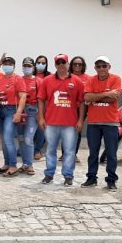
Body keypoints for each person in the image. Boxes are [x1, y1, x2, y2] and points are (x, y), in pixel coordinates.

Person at [38, 54, 85, 187]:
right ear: (55, 65)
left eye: (63, 62)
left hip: (70, 123)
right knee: (50, 150)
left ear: (67, 63)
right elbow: (41, 99)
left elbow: (81, 102)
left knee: (69, 151)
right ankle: (49, 174)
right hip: (51, 122)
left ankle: (68, 175)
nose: (61, 64)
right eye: (58, 62)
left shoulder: (77, 81)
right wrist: (41, 117)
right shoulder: (47, 80)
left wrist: (81, 120)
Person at [82, 56, 121, 191]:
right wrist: (106, 93)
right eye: (98, 66)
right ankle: (91, 178)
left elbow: (114, 98)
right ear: (95, 68)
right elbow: (87, 97)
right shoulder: (91, 80)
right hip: (93, 123)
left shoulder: (116, 79)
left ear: (109, 67)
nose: (101, 69)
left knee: (111, 153)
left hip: (111, 122)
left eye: (104, 66)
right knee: (93, 153)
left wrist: (95, 96)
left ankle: (111, 180)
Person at [0, 56, 27, 177]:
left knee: (8, 138)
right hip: (0, 111)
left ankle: (13, 165)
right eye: (5, 64)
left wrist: (18, 112)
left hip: (11, 110)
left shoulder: (18, 79)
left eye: (10, 64)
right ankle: (7, 163)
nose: (7, 66)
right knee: (4, 139)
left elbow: (23, 96)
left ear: (13, 66)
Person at [16, 57, 41, 176]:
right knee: (20, 138)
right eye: (25, 66)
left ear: (33, 67)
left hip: (32, 111)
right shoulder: (18, 80)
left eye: (29, 66)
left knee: (28, 138)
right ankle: (25, 163)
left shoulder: (38, 81)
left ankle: (30, 164)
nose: (27, 68)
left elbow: (42, 100)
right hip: (20, 111)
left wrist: (41, 115)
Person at [67, 55, 91, 161]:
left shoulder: (88, 78)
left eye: (80, 64)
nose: (77, 66)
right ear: (71, 65)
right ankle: (65, 153)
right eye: (75, 64)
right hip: (67, 107)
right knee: (66, 130)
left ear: (83, 66)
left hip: (82, 108)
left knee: (77, 130)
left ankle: (74, 153)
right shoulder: (66, 77)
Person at [33, 55, 50, 160]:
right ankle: (26, 149)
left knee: (41, 128)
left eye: (43, 63)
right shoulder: (31, 74)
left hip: (45, 106)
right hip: (31, 105)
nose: (41, 65)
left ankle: (37, 150)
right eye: (39, 62)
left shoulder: (49, 76)